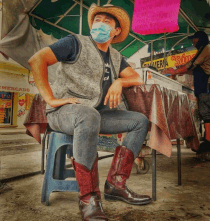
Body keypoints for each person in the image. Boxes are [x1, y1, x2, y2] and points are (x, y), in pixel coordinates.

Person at [28, 3, 152, 221]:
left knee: (140, 121)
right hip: (64, 113)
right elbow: (37, 60)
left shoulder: (115, 56)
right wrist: (51, 99)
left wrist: (119, 81)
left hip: (94, 114)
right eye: (97, 20)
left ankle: (116, 184)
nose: (99, 24)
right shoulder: (75, 43)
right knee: (88, 115)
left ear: (116, 31)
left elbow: (136, 77)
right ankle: (88, 198)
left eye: (107, 22)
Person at [163, 31, 210, 161]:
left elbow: (191, 64)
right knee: (205, 114)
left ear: (199, 39)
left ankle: (209, 143)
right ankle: (208, 141)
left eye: (194, 39)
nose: (193, 42)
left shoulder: (206, 48)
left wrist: (175, 71)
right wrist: (177, 72)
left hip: (208, 84)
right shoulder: (204, 49)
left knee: (207, 113)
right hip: (206, 84)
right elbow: (191, 67)